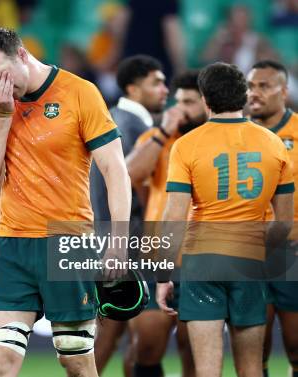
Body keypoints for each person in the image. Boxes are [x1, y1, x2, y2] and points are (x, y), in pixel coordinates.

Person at [0, 28, 131, 377]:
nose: (0, 88)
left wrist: (118, 239)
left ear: (23, 55)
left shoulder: (80, 93)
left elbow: (115, 170)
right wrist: (1, 117)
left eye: (3, 77)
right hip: (12, 244)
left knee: (75, 360)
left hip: (68, 240)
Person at [157, 62, 294, 377]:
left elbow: (174, 219)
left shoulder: (186, 145)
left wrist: (163, 276)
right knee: (251, 369)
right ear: (244, 97)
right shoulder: (274, 144)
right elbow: (284, 224)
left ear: (205, 100)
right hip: (249, 262)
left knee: (207, 371)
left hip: (202, 263)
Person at [90, 54, 168, 376]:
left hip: (111, 240)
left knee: (117, 331)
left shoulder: (117, 119)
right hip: (127, 243)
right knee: (129, 333)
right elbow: (132, 186)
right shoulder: (129, 124)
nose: (165, 89)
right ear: (134, 89)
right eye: (156, 82)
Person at [126, 70, 206, 377]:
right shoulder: (157, 138)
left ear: (207, 103)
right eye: (179, 100)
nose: (182, 108)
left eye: (191, 101)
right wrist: (163, 133)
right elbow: (129, 174)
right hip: (156, 253)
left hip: (200, 256)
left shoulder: (212, 141)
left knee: (194, 349)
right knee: (146, 343)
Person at [246, 60, 298, 377]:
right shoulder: (237, 135)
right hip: (250, 253)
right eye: (251, 86)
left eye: (264, 86)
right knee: (254, 347)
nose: (255, 93)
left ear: (284, 91)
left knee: (295, 345)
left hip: (292, 252)